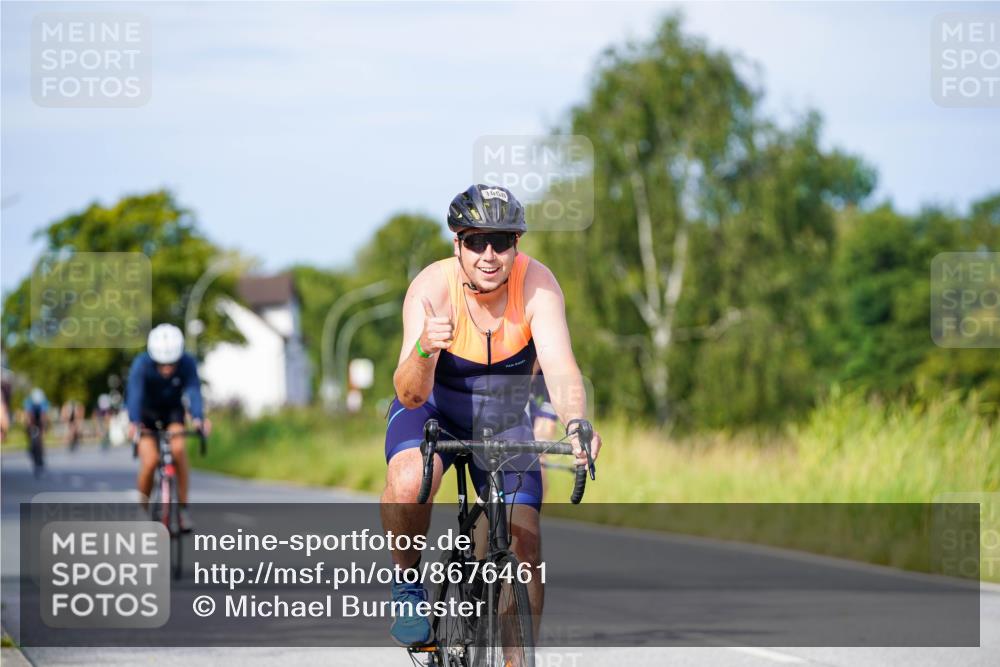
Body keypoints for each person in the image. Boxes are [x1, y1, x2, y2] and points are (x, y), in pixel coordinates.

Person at [381, 184, 602, 647]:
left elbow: (561, 367)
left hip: (501, 413)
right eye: (475, 240)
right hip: (434, 407)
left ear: (516, 245)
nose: (488, 254)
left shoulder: (538, 284)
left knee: (525, 543)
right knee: (408, 478)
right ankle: (407, 585)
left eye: (500, 241)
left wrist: (577, 424)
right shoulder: (431, 289)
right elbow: (408, 391)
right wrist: (426, 348)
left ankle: (514, 661)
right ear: (456, 242)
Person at [127, 324, 211, 531]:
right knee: (150, 461)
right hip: (146, 413)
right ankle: (143, 508)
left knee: (179, 450)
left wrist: (199, 418)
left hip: (172, 412)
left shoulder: (188, 363)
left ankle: (182, 509)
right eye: (162, 364)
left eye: (171, 364)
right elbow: (135, 394)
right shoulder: (141, 364)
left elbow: (193, 391)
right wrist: (134, 421)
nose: (167, 369)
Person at [23, 387, 49, 477]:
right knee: (28, 430)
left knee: (41, 438)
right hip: (32, 419)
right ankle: (30, 447)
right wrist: (29, 427)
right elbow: (28, 416)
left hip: (40, 420)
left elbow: (43, 416)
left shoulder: (43, 402)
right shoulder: (29, 402)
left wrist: (43, 429)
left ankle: (41, 456)